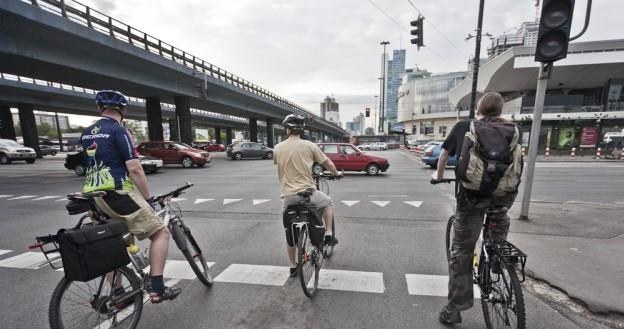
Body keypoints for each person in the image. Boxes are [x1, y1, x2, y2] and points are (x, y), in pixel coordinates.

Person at [81, 90, 180, 303]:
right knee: (160, 233)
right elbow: (135, 168)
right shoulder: (119, 131)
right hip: (118, 193)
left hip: (94, 196)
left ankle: (118, 292)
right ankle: (157, 289)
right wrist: (148, 199)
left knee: (110, 242)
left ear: (99, 109)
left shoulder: (87, 132)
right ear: (123, 110)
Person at [432, 92, 519, 324]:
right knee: (499, 224)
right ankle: (497, 263)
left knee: (461, 251)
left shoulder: (464, 126)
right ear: (500, 110)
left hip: (471, 198)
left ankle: (454, 310)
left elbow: (443, 157)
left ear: (479, 108)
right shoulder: (512, 130)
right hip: (502, 196)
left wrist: (438, 177)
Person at [273, 114, 342, 277]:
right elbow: (328, 163)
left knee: (289, 233)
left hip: (288, 197)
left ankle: (292, 266)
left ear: (287, 129)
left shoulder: (277, 148)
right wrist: (336, 172)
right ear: (301, 130)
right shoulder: (310, 146)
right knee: (327, 202)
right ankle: (328, 234)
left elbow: (278, 163)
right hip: (308, 193)